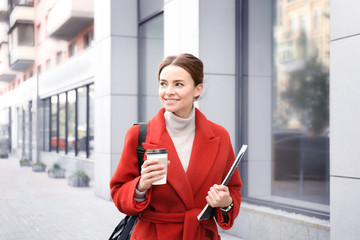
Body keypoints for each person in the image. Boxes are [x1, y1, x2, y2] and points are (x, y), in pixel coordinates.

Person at [110, 53, 242, 240]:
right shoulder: (138, 136)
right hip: (152, 235)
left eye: (178, 84)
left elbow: (233, 189)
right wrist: (141, 186)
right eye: (163, 84)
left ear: (198, 89)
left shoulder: (220, 136)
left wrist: (226, 202)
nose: (168, 91)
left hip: (200, 234)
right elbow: (118, 191)